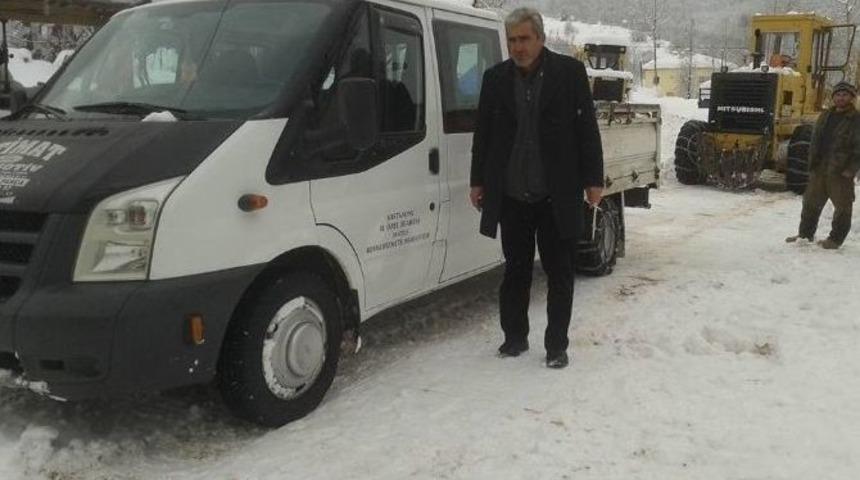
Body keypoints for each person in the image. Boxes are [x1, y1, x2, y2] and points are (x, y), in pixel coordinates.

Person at [470, 8, 604, 369]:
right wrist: (478, 180)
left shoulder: (569, 74)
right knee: (515, 271)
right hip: (513, 195)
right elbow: (483, 134)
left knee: (559, 272)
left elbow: (587, 131)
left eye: (524, 39)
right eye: (512, 40)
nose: (518, 47)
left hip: (554, 193)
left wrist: (594, 180)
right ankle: (514, 338)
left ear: (540, 39)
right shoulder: (495, 79)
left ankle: (556, 346)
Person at [786, 81, 860, 249]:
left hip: (840, 171)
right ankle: (805, 235)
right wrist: (812, 162)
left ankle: (835, 240)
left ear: (851, 98)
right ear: (833, 97)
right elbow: (815, 141)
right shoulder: (825, 115)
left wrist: (851, 170)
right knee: (810, 203)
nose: (841, 98)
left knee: (842, 207)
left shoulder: (856, 119)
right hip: (820, 168)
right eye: (838, 95)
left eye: (845, 95)